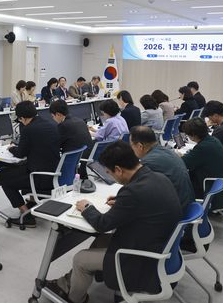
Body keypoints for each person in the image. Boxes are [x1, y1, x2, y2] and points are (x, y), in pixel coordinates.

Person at [48, 141, 181, 303]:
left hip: (142, 259)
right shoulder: (158, 177)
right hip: (157, 245)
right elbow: (146, 202)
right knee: (101, 240)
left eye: (109, 172)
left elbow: (102, 224)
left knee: (80, 259)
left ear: (118, 169)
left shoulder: (132, 192)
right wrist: (121, 201)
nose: (111, 176)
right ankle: (70, 282)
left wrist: (87, 208)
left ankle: (75, 299)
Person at [0, 101, 60, 228]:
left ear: (22, 118)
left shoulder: (29, 129)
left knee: (5, 180)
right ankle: (32, 202)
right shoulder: (51, 123)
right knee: (19, 171)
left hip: (40, 176)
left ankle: (27, 216)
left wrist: (11, 148)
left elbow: (20, 153)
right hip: (55, 172)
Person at [129, 126, 194, 209]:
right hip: (187, 203)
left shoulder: (148, 163)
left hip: (176, 209)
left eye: (131, 145)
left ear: (140, 146)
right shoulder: (168, 151)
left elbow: (138, 192)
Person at [180, 118, 223, 209]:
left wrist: (176, 156)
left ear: (193, 135)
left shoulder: (203, 147)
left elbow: (182, 164)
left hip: (212, 190)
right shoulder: (213, 140)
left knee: (179, 180)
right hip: (222, 187)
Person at [49, 100, 94, 189]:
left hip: (71, 168)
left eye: (52, 116)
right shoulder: (80, 121)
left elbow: (54, 145)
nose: (53, 119)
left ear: (58, 114)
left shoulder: (63, 126)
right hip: (84, 164)